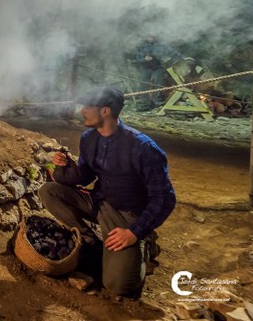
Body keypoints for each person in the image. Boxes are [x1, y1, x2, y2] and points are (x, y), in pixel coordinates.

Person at [38, 86, 176, 298]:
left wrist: (134, 232)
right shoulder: (89, 138)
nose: (82, 110)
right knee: (49, 192)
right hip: (100, 202)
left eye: (88, 106)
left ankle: (145, 245)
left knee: (118, 286)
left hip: (127, 214)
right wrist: (62, 166)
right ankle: (90, 242)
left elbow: (164, 198)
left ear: (105, 111)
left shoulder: (143, 148)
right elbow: (84, 176)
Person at [135, 36, 183, 110]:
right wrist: (144, 59)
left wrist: (182, 58)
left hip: (158, 67)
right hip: (146, 67)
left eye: (152, 36)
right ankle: (146, 104)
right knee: (143, 84)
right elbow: (138, 58)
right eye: (149, 36)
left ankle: (157, 102)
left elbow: (172, 52)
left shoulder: (160, 45)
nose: (151, 38)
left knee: (158, 82)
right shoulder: (143, 46)